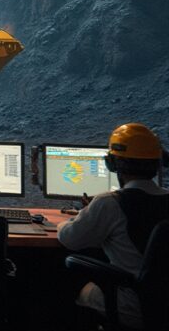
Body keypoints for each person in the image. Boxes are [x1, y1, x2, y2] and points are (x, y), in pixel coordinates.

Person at [57, 123, 169, 329]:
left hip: (133, 303)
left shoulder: (110, 202)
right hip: (165, 308)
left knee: (61, 282)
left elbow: (69, 239)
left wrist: (76, 217)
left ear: (113, 164)